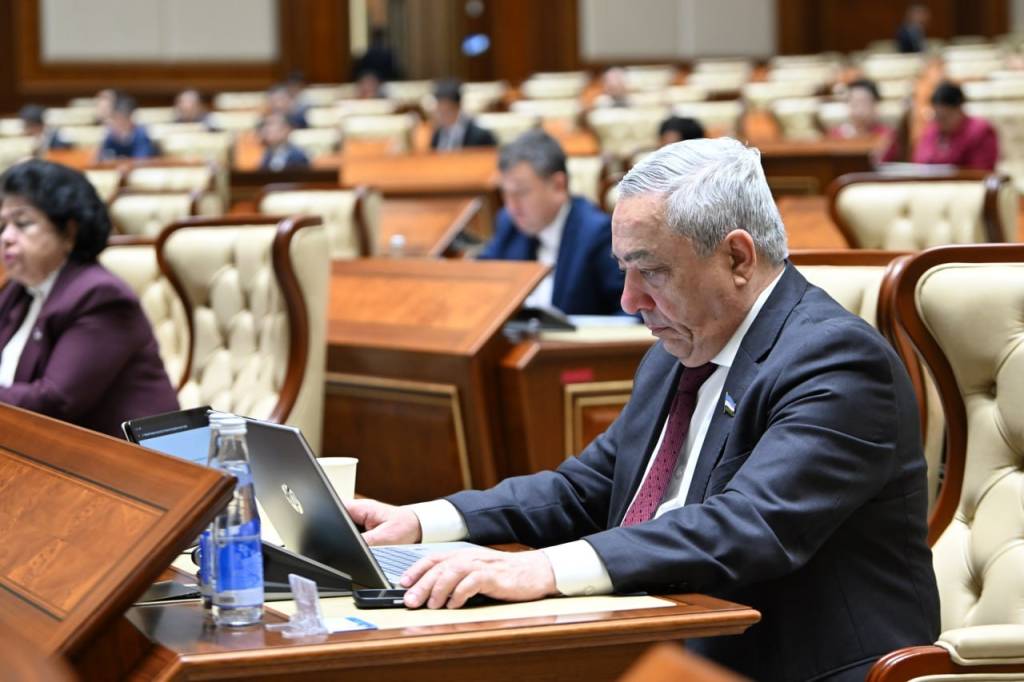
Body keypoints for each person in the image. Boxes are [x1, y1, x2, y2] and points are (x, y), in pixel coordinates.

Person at [348, 137, 940, 681]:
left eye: (651, 271)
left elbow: (747, 526)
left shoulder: (836, 361)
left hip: (788, 664)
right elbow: (583, 489)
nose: (631, 300)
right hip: (665, 637)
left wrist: (544, 570)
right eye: (624, 271)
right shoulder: (676, 352)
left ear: (738, 258)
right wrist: (422, 522)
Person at [0, 160, 179, 437]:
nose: (7, 237)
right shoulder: (18, 290)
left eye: (22, 224)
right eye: (2, 226)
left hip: (132, 457)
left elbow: (55, 402)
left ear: (69, 232)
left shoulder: (100, 297)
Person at [477, 129, 625, 315]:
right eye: (505, 193)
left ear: (558, 185)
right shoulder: (509, 223)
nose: (511, 206)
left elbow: (630, 313)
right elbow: (483, 281)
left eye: (521, 192)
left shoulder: (597, 233)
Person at [911, 81, 998, 171]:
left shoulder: (980, 131)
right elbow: (919, 162)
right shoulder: (932, 130)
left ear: (959, 110)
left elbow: (980, 170)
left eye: (945, 117)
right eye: (937, 117)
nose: (940, 123)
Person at [429, 79, 497, 151]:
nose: (442, 116)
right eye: (440, 111)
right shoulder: (437, 134)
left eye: (447, 111)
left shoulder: (480, 136)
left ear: (457, 107)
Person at [828, 78, 892, 140]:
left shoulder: (887, 136)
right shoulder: (836, 135)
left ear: (875, 105)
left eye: (863, 103)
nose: (859, 109)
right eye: (854, 103)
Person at [97, 94, 157, 160]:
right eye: (116, 118)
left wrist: (125, 161)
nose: (119, 122)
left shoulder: (140, 134)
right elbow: (102, 158)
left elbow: (143, 158)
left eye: (122, 119)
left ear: (129, 118)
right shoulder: (111, 136)